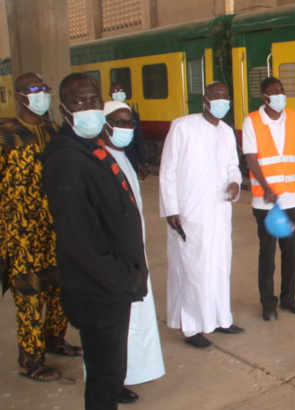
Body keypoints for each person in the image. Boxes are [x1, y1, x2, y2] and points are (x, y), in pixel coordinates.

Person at [42, 72, 147, 409]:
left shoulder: (91, 148)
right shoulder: (67, 159)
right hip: (99, 290)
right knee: (104, 377)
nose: (88, 107)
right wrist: (124, 278)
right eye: (78, 101)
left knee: (112, 371)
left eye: (93, 100)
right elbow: (79, 240)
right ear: (63, 110)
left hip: (111, 286)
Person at [1, 72, 81, 383]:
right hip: (21, 231)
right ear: (20, 95)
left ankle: (55, 340)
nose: (42, 95)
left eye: (45, 89)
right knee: (31, 295)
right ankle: (30, 360)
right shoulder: (6, 133)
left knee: (59, 289)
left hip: (55, 225)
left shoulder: (53, 129)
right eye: (36, 90)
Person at [159, 81, 244, 349]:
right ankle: (191, 326)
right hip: (189, 212)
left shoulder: (227, 132)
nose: (221, 100)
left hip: (219, 211)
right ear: (205, 99)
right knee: (191, 268)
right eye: (216, 96)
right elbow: (167, 169)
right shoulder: (183, 126)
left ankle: (220, 318)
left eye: (225, 96)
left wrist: (235, 183)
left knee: (219, 266)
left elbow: (233, 166)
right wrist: (170, 208)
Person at [99, 101, 165, 403]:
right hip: (115, 255)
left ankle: (133, 372)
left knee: (135, 316)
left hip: (133, 249)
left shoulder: (120, 156)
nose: (125, 128)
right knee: (115, 322)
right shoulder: (98, 159)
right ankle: (111, 383)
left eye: (130, 123)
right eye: (119, 122)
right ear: (104, 123)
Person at [242, 77, 295, 322]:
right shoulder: (252, 121)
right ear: (264, 97)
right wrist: (265, 188)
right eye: (274, 92)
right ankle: (268, 303)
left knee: (290, 252)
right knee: (267, 253)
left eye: (281, 90)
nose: (279, 95)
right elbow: (251, 159)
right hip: (264, 201)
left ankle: (288, 299)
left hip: (291, 198)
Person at [109, 82, 149, 180]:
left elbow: (139, 139)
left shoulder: (133, 114)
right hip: (110, 157)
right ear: (110, 94)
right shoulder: (105, 112)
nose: (118, 93)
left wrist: (143, 162)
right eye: (115, 90)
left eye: (121, 90)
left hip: (130, 157)